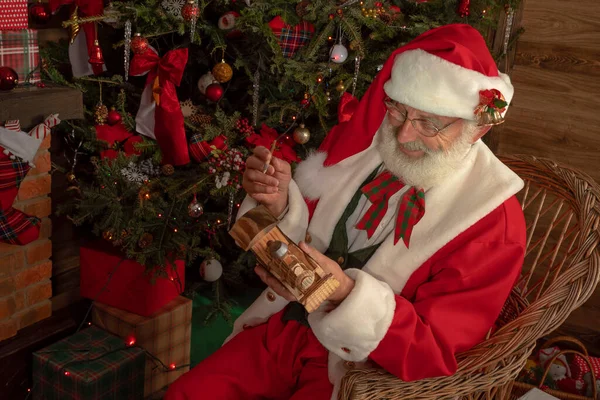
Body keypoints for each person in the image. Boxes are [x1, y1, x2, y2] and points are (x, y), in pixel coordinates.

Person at [165, 23, 526, 400]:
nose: (403, 136)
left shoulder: (491, 222)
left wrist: (345, 295)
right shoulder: (365, 147)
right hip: (284, 329)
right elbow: (305, 226)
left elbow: (432, 350)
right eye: (398, 111)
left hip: (361, 375)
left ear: (477, 129)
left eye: (428, 123)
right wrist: (279, 201)